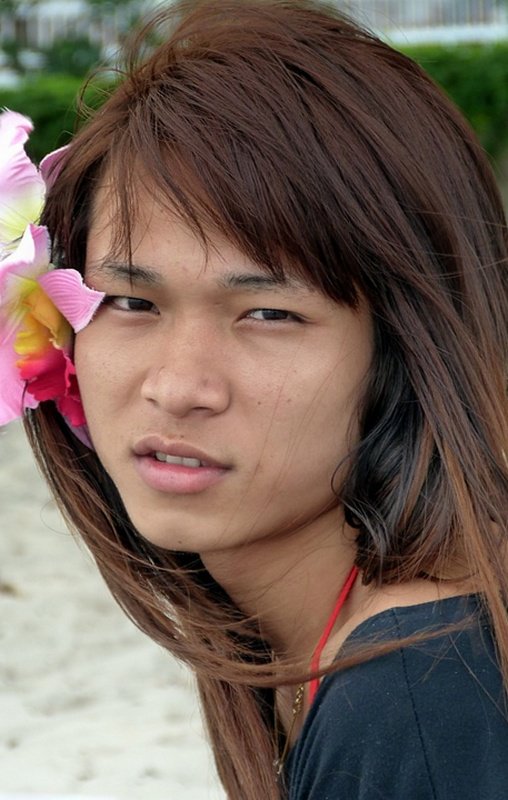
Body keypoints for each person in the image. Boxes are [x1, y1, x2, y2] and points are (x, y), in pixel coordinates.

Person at [1, 1, 507, 797]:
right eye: (131, 302)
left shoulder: (423, 702)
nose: (177, 388)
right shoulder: (360, 657)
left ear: (409, 347)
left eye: (269, 314)